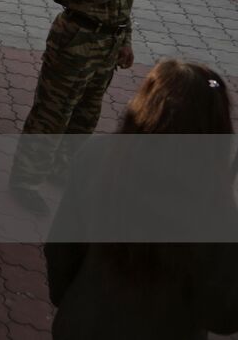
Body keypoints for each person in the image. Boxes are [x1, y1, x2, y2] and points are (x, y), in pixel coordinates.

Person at [45, 59, 238, 340]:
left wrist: (75, 301)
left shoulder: (97, 155)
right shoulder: (215, 207)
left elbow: (61, 250)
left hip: (84, 323)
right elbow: (222, 315)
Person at [9, 0, 169, 209]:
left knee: (85, 115)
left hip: (105, 44)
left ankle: (60, 168)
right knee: (52, 116)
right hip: (75, 42)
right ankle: (26, 181)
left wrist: (124, 39)